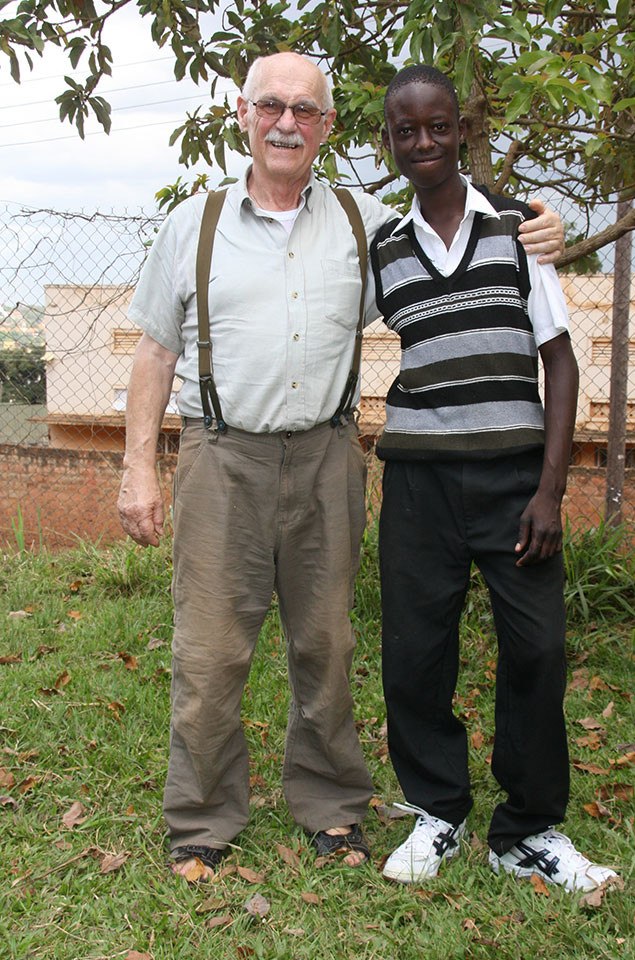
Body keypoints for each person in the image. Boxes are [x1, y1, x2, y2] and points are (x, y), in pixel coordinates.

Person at [117, 51, 565, 881]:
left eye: (307, 111)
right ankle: (204, 818)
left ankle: (330, 807)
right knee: (211, 652)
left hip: (327, 456)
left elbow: (453, 226)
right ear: (243, 115)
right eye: (272, 107)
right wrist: (137, 468)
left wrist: (535, 219)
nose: (287, 122)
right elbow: (154, 349)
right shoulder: (195, 221)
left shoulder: (364, 225)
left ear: (327, 128)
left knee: (325, 644)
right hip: (221, 456)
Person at [372, 65, 618, 893]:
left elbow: (560, 360)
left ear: (461, 131)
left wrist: (549, 491)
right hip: (416, 484)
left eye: (437, 126)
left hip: (515, 485)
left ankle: (529, 830)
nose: (423, 143)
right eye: (406, 131)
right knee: (414, 653)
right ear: (391, 142)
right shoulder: (386, 250)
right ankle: (438, 811)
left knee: (538, 651)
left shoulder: (519, 231)